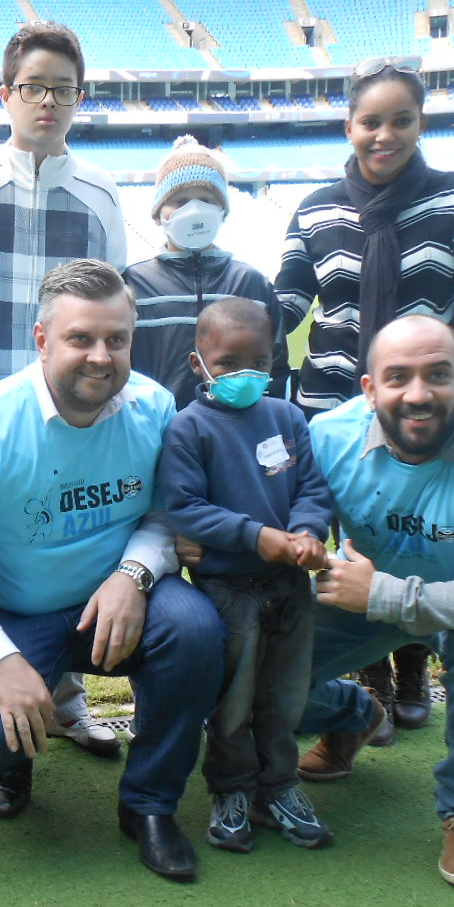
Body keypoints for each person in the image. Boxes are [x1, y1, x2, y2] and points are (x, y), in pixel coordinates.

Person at [0, 260, 225, 881]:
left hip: (118, 601)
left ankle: (151, 805)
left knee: (197, 631)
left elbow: (166, 514)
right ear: (43, 339)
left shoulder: (155, 409)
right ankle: (10, 758)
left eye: (117, 339)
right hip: (15, 615)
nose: (101, 357)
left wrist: (133, 575)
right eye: (81, 338)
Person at [276, 57, 454, 732]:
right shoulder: (315, 210)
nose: (384, 134)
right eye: (370, 121)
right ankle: (366, 668)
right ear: (349, 125)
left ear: (419, 123)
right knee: (346, 534)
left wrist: (424, 388)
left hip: (419, 414)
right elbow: (285, 303)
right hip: (329, 412)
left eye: (400, 120)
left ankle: (410, 662)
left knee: (413, 539)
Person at [0, 20, 129, 763]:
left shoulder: (102, 196)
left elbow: (112, 314)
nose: (49, 102)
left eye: (64, 90)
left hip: (76, 425)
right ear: (5, 94)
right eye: (34, 87)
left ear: (81, 99)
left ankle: (67, 700)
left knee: (75, 551)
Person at [298, 316, 454, 890]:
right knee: (249, 671)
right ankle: (355, 716)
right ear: (369, 389)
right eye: (398, 378)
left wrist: (388, 595)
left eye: (437, 375)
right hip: (361, 597)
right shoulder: (327, 437)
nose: (418, 394)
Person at [159, 299, 335, 853]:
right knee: (232, 702)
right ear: (198, 363)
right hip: (228, 589)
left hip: (290, 587)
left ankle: (278, 786)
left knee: (284, 695)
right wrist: (257, 537)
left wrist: (307, 529)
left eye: (257, 361)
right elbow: (185, 508)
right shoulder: (189, 429)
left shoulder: (287, 418)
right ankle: (232, 788)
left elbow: (313, 488)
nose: (244, 374)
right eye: (228, 362)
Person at [122, 136, 288, 408]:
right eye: (180, 200)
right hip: (154, 432)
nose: (194, 210)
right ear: (158, 214)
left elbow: (276, 369)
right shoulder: (133, 284)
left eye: (206, 198)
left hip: (235, 434)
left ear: (222, 210)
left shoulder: (252, 283)